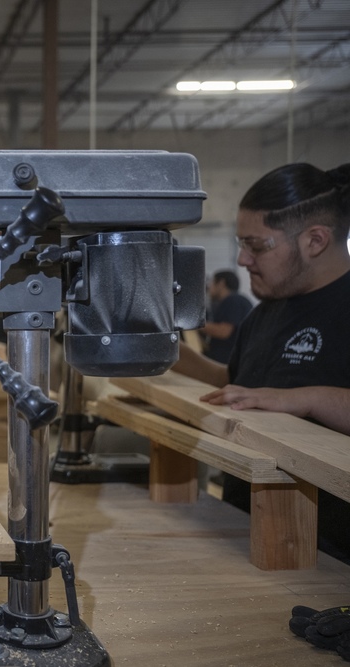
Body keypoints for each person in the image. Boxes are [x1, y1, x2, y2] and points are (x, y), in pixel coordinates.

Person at [174, 161, 350, 561]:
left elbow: (285, 397)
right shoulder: (266, 311)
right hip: (251, 536)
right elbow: (241, 385)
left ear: (315, 240)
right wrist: (166, 353)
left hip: (329, 561)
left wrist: (306, 398)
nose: (241, 261)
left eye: (256, 246)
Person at [200, 269, 253, 364]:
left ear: (221, 283)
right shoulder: (235, 301)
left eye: (212, 282)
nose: (209, 287)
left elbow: (223, 331)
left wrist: (196, 325)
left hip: (226, 361)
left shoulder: (233, 300)